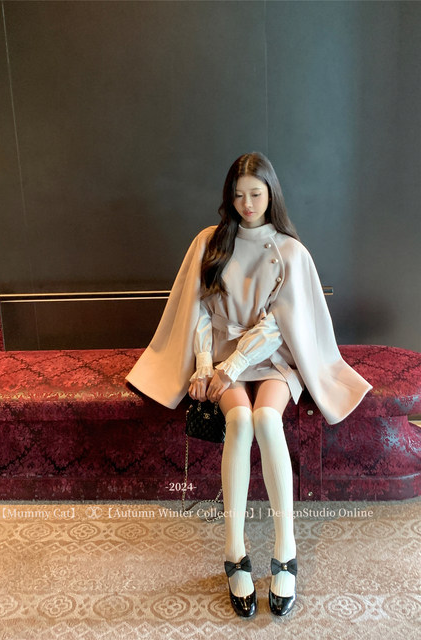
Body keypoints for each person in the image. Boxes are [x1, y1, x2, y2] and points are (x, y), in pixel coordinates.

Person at [126, 152, 372, 618]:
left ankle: (285, 551)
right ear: (229, 196)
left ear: (271, 194)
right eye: (239, 195)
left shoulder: (290, 251)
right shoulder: (209, 242)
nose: (247, 204)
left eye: (256, 194)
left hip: (272, 359)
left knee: (266, 420)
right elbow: (199, 311)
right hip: (222, 357)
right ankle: (234, 552)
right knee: (239, 421)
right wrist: (204, 365)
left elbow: (279, 327)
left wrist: (232, 366)